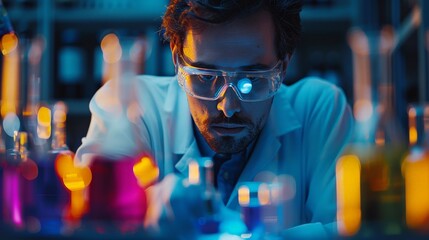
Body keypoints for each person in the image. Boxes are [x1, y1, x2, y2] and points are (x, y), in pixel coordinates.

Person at [75, 0, 353, 238]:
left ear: (283, 65)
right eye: (205, 78)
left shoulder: (319, 110)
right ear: (176, 58)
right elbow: (89, 223)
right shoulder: (130, 107)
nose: (228, 107)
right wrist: (147, 210)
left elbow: (350, 230)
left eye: (251, 80)